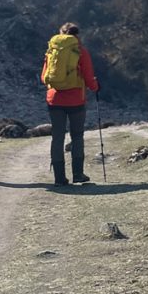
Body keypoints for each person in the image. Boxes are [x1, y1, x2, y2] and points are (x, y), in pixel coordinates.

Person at [41, 22, 100, 186]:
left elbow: (44, 77)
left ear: (60, 33)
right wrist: (95, 87)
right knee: (77, 135)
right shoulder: (81, 51)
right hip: (76, 99)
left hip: (54, 99)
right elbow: (88, 77)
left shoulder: (52, 50)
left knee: (57, 137)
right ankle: (78, 174)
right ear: (76, 35)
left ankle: (59, 178)